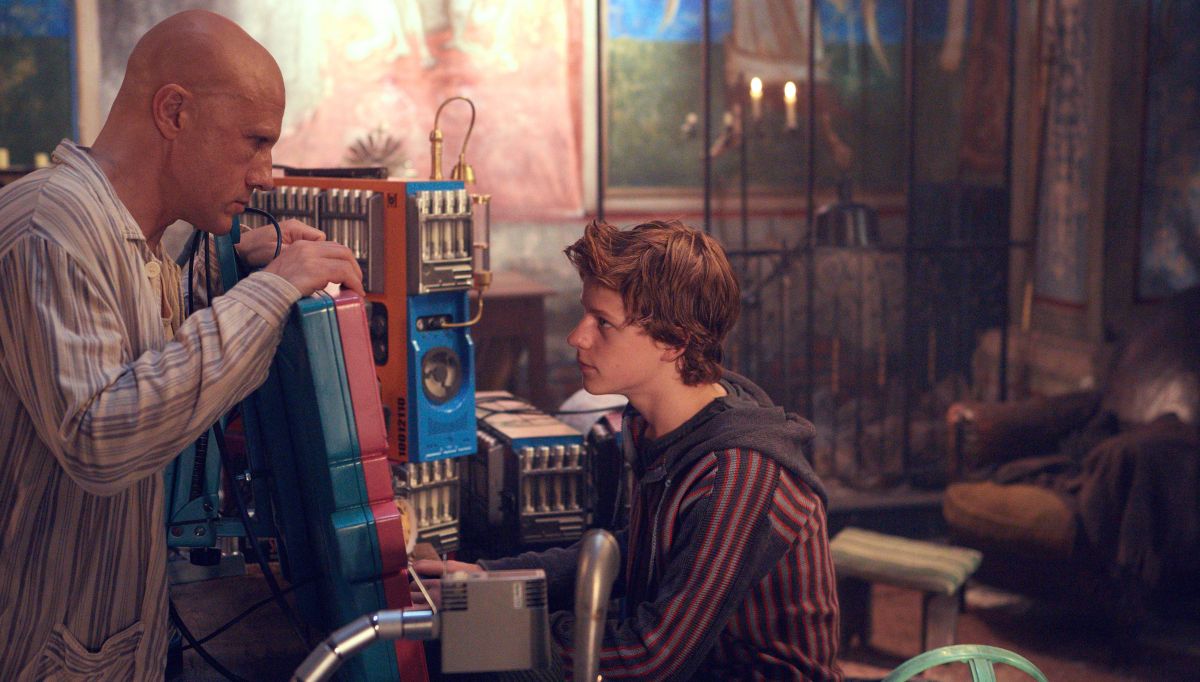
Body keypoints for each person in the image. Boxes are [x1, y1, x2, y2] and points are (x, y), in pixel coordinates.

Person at [0, 10, 363, 680]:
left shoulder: (126, 236)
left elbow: (141, 365)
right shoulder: (51, 228)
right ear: (174, 112)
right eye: (255, 141)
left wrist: (239, 276)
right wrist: (270, 292)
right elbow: (102, 437)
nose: (266, 174)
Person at [415, 219, 842, 680]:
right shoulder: (654, 424)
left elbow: (650, 656)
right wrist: (489, 580)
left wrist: (494, 619)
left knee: (480, 658)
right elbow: (635, 549)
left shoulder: (738, 472)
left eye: (603, 323)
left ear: (674, 342)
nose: (577, 337)